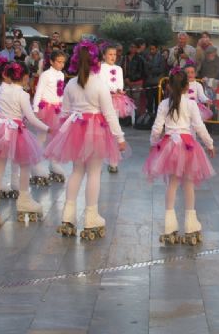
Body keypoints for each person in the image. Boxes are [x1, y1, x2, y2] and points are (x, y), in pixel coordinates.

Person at [45, 41, 127, 239]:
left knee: (77, 171)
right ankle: (91, 215)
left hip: (75, 128)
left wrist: (63, 131)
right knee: (94, 173)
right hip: (96, 130)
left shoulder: (71, 84)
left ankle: (68, 214)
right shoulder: (99, 84)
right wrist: (120, 137)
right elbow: (109, 114)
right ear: (95, 61)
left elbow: (64, 112)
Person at [0, 61, 48, 226]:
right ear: (25, 77)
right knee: (25, 164)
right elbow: (31, 117)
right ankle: (24, 199)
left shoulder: (1, 89)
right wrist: (46, 127)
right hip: (16, 131)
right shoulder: (23, 95)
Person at [143, 68, 215, 245]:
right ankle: (190, 224)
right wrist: (210, 144)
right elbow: (199, 127)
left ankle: (169, 224)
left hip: (168, 145)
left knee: (172, 184)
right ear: (186, 86)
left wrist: (154, 144)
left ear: (169, 86)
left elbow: (157, 128)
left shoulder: (164, 104)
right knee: (188, 184)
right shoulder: (190, 104)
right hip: (188, 145)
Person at [31, 50, 68, 186]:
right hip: (45, 108)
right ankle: (36, 164)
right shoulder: (46, 75)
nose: (61, 64)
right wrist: (35, 109)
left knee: (56, 138)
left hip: (57, 108)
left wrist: (63, 107)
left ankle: (54, 163)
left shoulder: (62, 75)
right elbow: (39, 91)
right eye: (59, 61)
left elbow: (60, 92)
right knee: (41, 136)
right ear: (52, 62)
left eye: (63, 62)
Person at [100, 44, 135, 174]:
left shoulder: (119, 68)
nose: (113, 57)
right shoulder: (100, 68)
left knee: (114, 129)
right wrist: (109, 92)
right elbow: (101, 83)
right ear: (104, 55)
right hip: (103, 100)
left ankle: (113, 161)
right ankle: (100, 159)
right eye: (110, 54)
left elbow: (119, 83)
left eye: (114, 54)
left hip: (115, 101)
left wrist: (119, 90)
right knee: (103, 130)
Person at [143, 42, 165, 114]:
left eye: (153, 49)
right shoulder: (146, 57)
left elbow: (161, 69)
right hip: (149, 83)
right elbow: (145, 69)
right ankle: (149, 117)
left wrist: (151, 67)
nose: (151, 51)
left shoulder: (161, 57)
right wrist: (154, 68)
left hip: (158, 83)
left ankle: (157, 117)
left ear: (156, 49)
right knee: (149, 102)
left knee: (158, 102)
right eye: (150, 49)